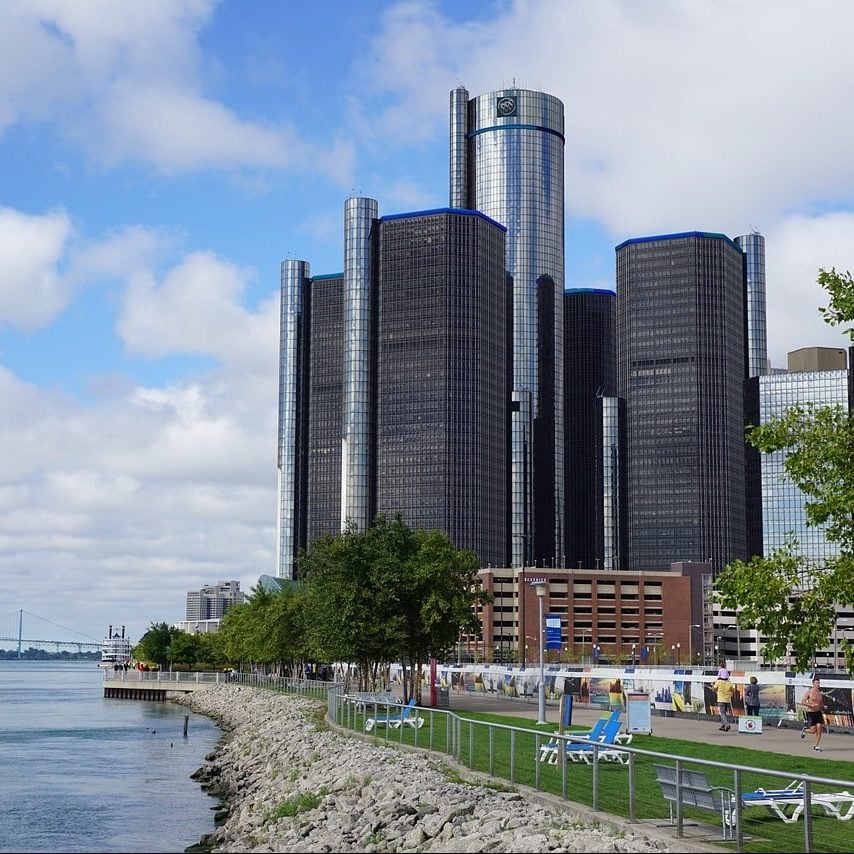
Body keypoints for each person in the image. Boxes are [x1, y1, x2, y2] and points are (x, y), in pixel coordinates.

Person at [800, 676, 826, 752]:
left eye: (819, 683)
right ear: (813, 684)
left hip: (818, 713)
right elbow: (803, 702)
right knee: (813, 731)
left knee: (819, 729)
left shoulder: (820, 693)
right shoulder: (809, 692)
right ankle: (805, 730)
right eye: (816, 683)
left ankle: (816, 746)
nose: (818, 684)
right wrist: (811, 705)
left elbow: (820, 703)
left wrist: (823, 706)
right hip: (811, 713)